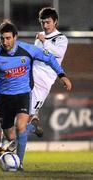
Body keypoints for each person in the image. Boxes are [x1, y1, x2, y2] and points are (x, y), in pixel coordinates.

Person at [0, 19, 72, 171]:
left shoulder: (28, 50)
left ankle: (19, 163)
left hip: (23, 95)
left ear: (15, 37)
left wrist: (62, 75)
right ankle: (31, 127)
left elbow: (50, 58)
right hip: (3, 98)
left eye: (8, 38)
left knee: (20, 126)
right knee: (11, 136)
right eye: (2, 38)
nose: (5, 42)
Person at [28, 7, 69, 137]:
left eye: (48, 22)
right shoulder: (40, 37)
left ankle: (32, 123)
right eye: (42, 22)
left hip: (45, 78)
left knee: (28, 112)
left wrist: (44, 41)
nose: (45, 25)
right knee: (22, 110)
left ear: (55, 22)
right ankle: (11, 146)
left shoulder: (61, 38)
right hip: (31, 74)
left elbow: (58, 53)